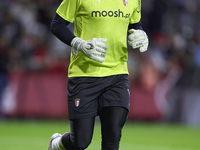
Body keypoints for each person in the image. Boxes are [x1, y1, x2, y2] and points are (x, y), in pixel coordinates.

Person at [48, 0, 148, 150]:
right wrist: (79, 43)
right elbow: (57, 24)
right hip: (84, 75)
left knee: (113, 138)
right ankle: (56, 144)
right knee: (80, 142)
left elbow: (135, 25)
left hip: (117, 74)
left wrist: (140, 34)